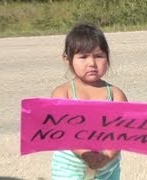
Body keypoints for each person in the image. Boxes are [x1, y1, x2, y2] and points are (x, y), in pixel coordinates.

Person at [50, 23, 128, 180]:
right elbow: (63, 132)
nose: (92, 63)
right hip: (69, 170)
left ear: (108, 56)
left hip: (107, 169)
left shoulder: (116, 95)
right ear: (67, 59)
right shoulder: (62, 93)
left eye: (99, 56)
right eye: (83, 57)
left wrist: (108, 156)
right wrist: (85, 154)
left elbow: (122, 133)